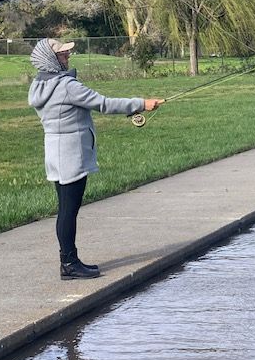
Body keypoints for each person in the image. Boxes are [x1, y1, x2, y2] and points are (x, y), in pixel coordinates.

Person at [28, 38, 164, 280]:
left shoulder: (39, 85)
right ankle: (69, 263)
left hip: (55, 153)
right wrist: (142, 104)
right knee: (69, 211)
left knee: (65, 210)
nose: (68, 56)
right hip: (71, 155)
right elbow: (103, 103)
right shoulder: (66, 85)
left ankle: (68, 261)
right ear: (50, 59)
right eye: (62, 54)